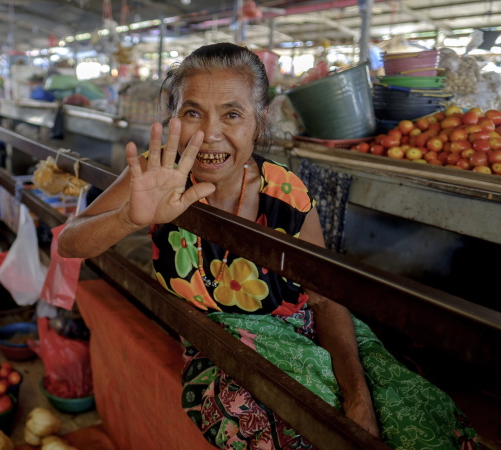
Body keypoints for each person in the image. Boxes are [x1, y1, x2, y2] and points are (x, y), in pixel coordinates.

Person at [57, 43, 476, 449]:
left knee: (417, 417)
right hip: (221, 351)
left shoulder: (287, 195)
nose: (209, 134)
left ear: (259, 123)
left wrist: (358, 398)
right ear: (173, 120)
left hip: (307, 333)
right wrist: (130, 216)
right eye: (192, 113)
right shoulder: (157, 174)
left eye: (232, 114)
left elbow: (326, 302)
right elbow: (71, 242)